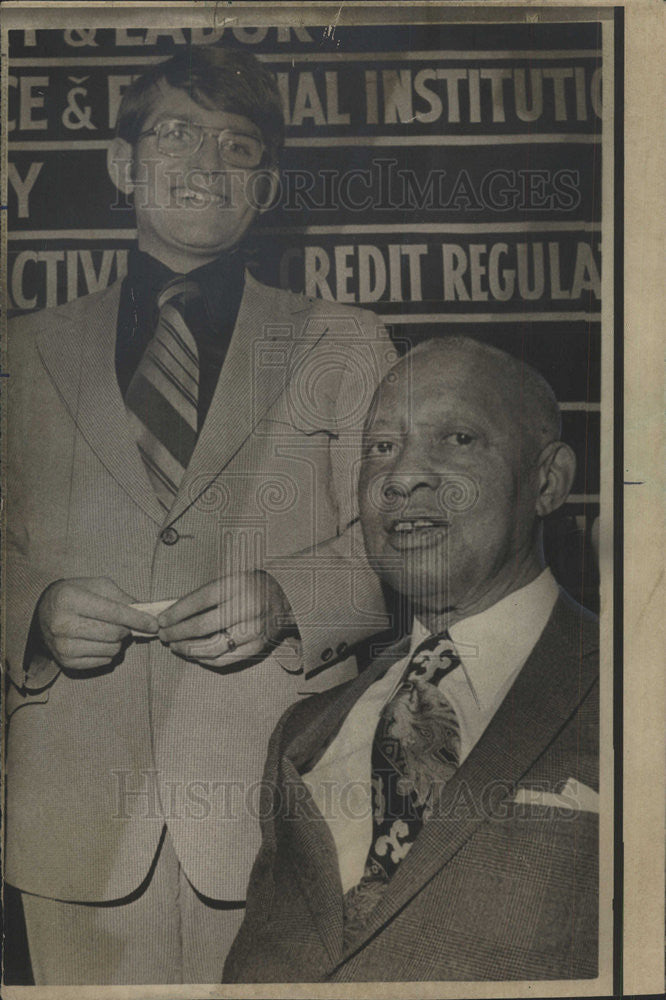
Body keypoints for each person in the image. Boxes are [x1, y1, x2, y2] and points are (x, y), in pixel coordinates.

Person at [4, 46, 391, 985]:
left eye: (239, 144)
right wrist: (37, 611)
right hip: (75, 820)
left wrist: (288, 596)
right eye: (177, 132)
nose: (207, 162)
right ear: (123, 163)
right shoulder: (19, 353)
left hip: (274, 808)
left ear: (265, 187)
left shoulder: (345, 340)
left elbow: (402, 544)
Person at [224, 336, 600, 983]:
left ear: (547, 481)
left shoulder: (635, 693)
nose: (401, 477)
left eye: (457, 439)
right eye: (381, 447)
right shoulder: (304, 734)